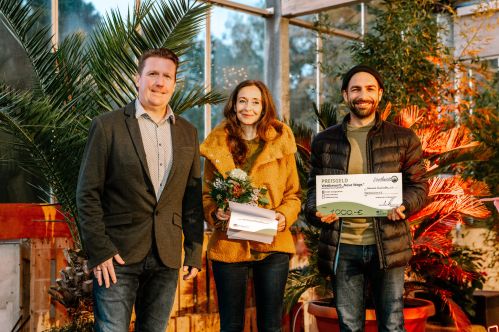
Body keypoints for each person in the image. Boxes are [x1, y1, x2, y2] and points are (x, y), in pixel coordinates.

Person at [76, 48, 204, 332]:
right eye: (153, 74)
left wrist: (194, 251)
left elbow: (192, 198)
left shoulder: (188, 132)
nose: (159, 82)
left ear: (174, 83)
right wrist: (100, 250)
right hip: (116, 256)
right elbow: (87, 193)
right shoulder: (107, 126)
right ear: (138, 78)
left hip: (167, 255)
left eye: (167, 76)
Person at [305, 65, 428, 332]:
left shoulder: (403, 138)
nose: (363, 95)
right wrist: (317, 212)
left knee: (393, 323)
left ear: (380, 94)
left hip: (387, 244)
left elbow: (418, 186)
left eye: (370, 89)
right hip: (342, 245)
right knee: (349, 325)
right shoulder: (324, 141)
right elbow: (313, 190)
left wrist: (405, 205)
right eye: (356, 89)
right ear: (345, 95)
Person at [201, 80, 301, 332]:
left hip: (273, 244)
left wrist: (284, 216)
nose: (248, 107)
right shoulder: (217, 146)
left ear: (264, 106)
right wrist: (215, 212)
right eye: (242, 101)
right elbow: (206, 195)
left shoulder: (281, 142)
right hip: (229, 243)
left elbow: (293, 194)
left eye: (255, 102)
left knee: (271, 326)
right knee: (231, 325)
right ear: (233, 106)